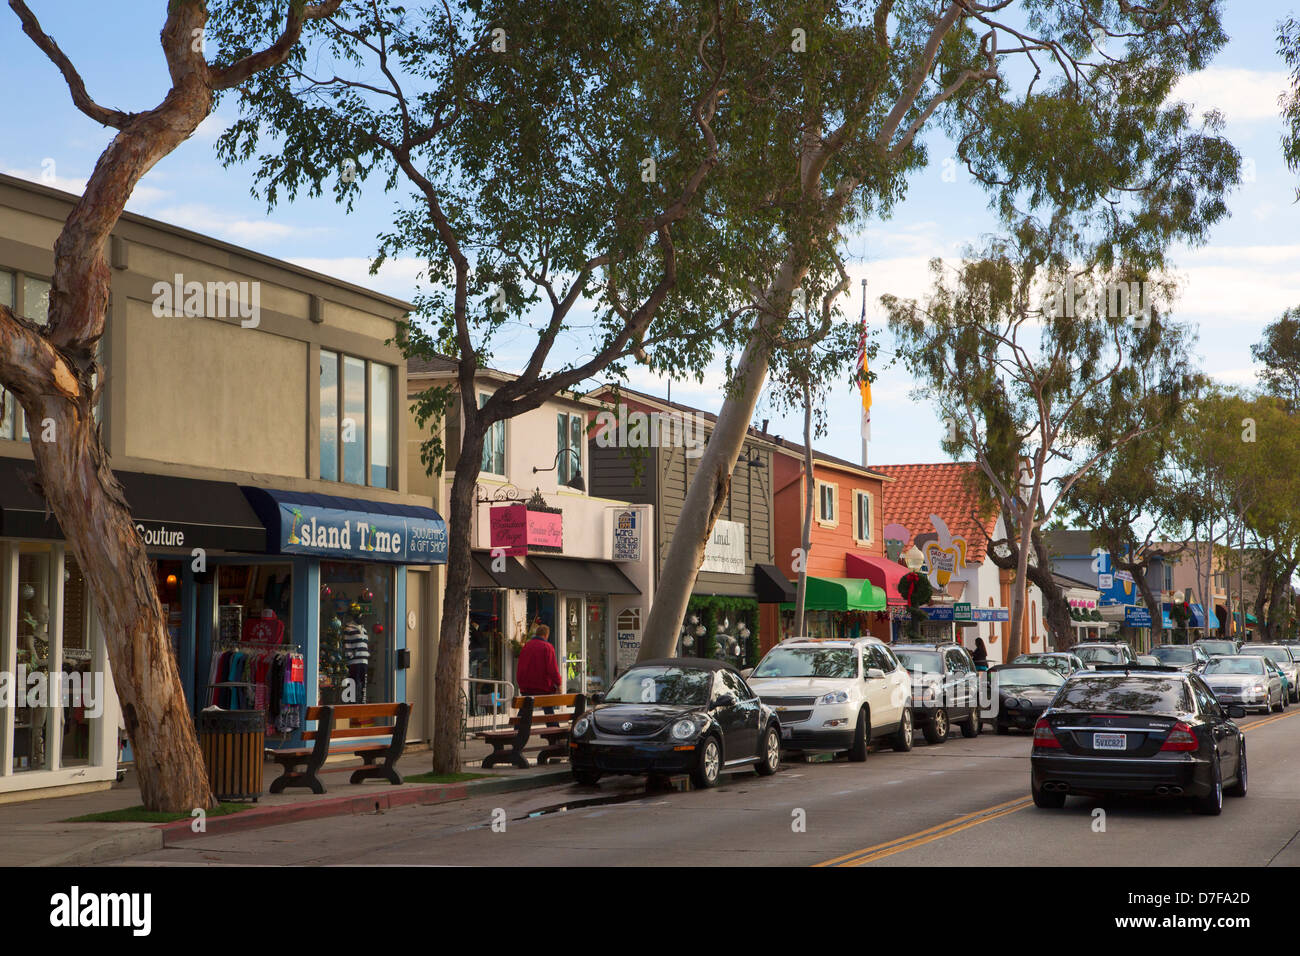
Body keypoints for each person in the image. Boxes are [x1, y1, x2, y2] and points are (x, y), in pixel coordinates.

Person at [517, 624, 562, 696]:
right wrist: (558, 683)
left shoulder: (526, 646)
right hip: (542, 687)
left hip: (526, 687)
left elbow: (520, 666)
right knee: (548, 705)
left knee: (526, 706)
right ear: (546, 635)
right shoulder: (547, 647)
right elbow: (552, 668)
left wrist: (520, 683)